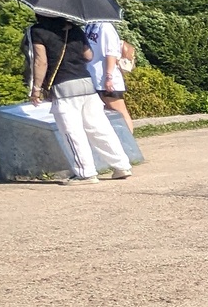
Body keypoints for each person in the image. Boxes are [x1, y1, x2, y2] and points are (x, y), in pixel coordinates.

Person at [28, 13, 132, 182]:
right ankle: (121, 165)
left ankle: (86, 172)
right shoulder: (74, 28)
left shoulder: (38, 31)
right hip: (86, 82)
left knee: (72, 132)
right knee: (99, 127)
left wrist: (36, 89)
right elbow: (88, 55)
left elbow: (41, 62)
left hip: (63, 85)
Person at [87, 18, 133, 125]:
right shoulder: (90, 26)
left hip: (107, 79)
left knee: (119, 112)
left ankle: (128, 140)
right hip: (95, 77)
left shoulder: (106, 27)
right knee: (107, 113)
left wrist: (109, 76)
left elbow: (111, 53)